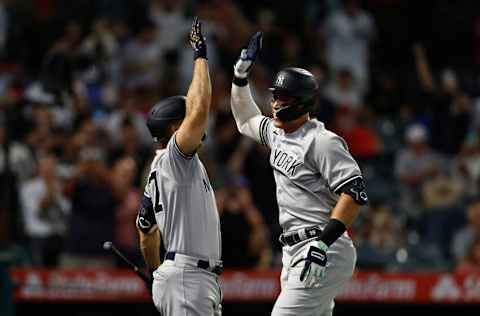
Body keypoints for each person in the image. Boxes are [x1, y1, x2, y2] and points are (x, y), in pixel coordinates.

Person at [230, 32, 368, 316]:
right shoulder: (277, 133)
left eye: (284, 97)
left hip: (322, 246)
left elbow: (354, 193)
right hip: (292, 250)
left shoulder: (322, 141)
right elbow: (245, 119)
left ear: (303, 102)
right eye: (276, 96)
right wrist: (240, 76)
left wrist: (322, 244)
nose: (277, 102)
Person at [136, 18, 222, 316]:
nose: (195, 123)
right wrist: (199, 55)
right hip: (189, 278)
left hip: (185, 276)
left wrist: (155, 272)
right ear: (175, 128)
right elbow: (199, 108)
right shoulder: (175, 156)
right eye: (184, 120)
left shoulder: (160, 167)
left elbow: (146, 232)